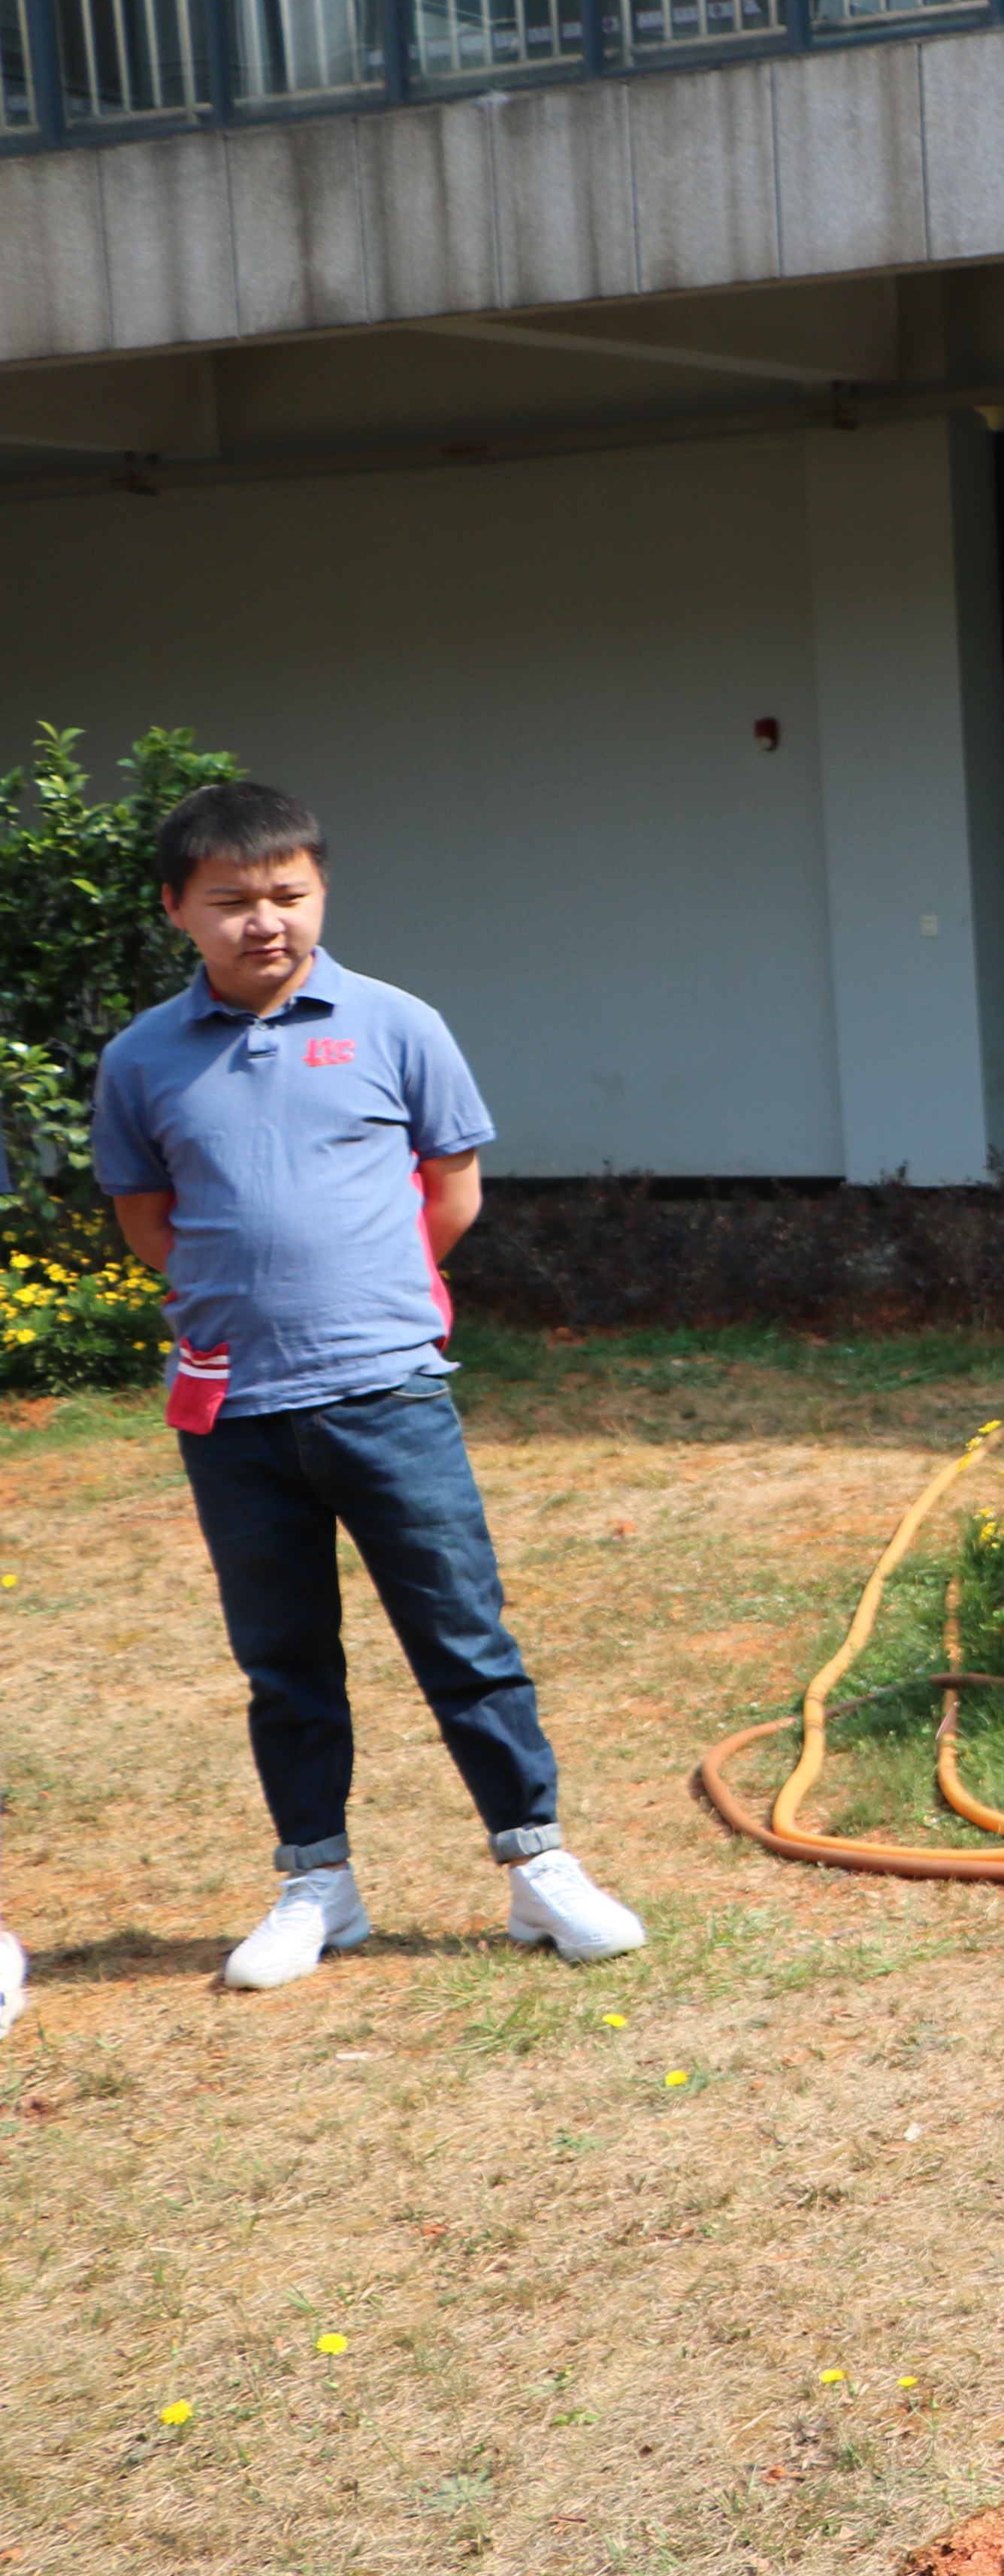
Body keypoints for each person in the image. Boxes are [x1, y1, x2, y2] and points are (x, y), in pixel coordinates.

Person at [92, 783, 643, 1993]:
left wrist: (372, 1298)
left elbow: (452, 1186)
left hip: (387, 1393)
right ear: (178, 908)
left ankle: (537, 1867)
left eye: (288, 895)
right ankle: (316, 1887)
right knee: (284, 1658)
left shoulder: (398, 1024)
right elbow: (148, 1221)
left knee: (464, 1634)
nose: (264, 921)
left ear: (320, 893)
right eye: (232, 901)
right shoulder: (139, 1059)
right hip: (232, 1410)